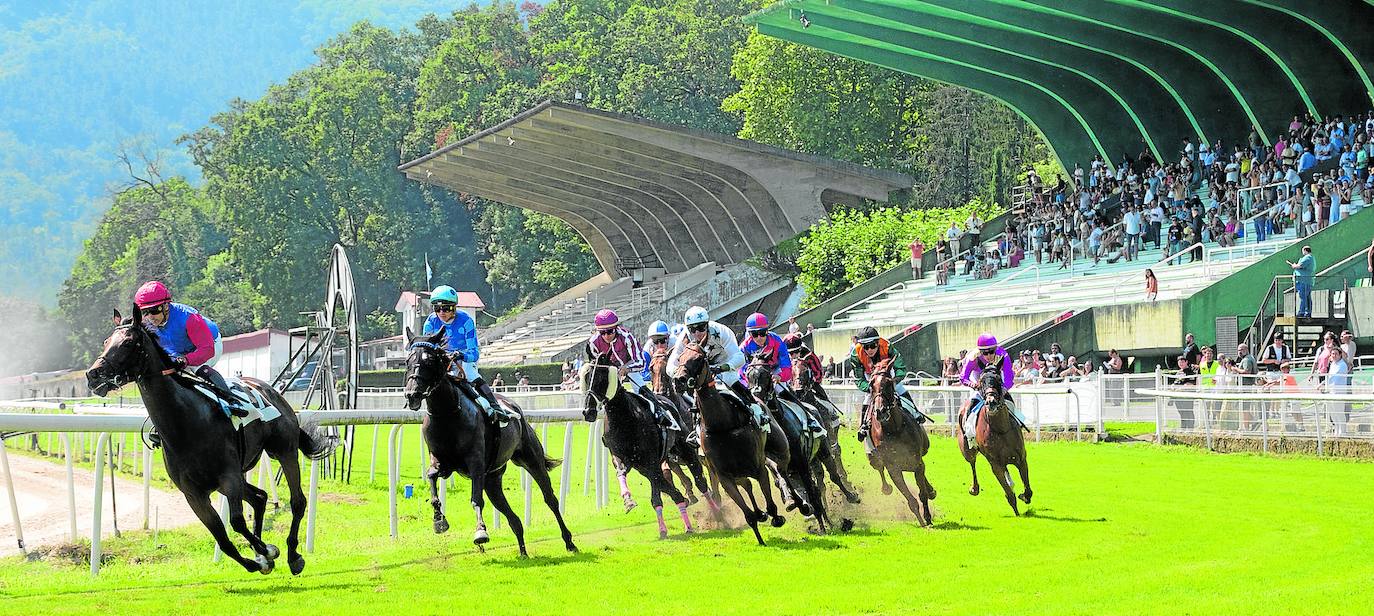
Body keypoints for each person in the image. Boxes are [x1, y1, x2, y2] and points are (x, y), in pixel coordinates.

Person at [132, 280, 254, 417]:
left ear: (166, 306)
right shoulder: (145, 322)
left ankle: (232, 401)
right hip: (178, 350)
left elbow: (207, 350)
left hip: (209, 345)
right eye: (144, 312)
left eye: (154, 311)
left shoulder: (188, 317)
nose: (149, 317)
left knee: (198, 369)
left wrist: (186, 360)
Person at [422, 285, 510, 424]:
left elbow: (474, 352)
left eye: (446, 308)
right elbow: (429, 347)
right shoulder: (430, 322)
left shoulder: (466, 321)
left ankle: (495, 406)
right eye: (437, 308)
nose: (441, 312)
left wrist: (461, 355)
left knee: (470, 373)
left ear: (454, 308)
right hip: (443, 360)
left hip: (463, 358)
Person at [665, 306, 762, 428]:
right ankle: (696, 430)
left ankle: (757, 413)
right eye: (692, 329)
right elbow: (670, 365)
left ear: (707, 324)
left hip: (723, 367)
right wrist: (681, 374)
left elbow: (740, 358)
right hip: (701, 373)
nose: (697, 333)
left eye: (701, 327)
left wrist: (723, 368)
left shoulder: (720, 331)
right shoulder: (685, 337)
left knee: (731, 381)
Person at [585, 309, 678, 430]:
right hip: (609, 372)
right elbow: (595, 367)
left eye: (610, 331)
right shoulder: (593, 343)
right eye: (602, 333)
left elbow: (641, 362)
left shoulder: (626, 337)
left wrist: (626, 368)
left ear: (616, 328)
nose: (606, 336)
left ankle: (659, 413)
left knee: (642, 390)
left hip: (630, 368)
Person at [738, 313, 823, 437]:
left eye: (762, 333)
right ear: (749, 334)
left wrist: (780, 376)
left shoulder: (776, 340)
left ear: (767, 331)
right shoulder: (744, 347)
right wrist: (751, 381)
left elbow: (787, 366)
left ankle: (809, 419)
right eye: (755, 334)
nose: (759, 337)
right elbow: (741, 371)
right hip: (754, 377)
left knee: (784, 392)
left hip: (775, 372)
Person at [958, 333, 1023, 447]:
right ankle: (970, 435)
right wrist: (974, 385)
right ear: (980, 352)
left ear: (996, 349)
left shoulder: (1003, 356)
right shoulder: (972, 358)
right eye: (985, 353)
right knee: (971, 407)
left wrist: (1003, 390)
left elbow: (1009, 378)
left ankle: (1019, 423)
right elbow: (963, 377)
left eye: (991, 351)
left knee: (1010, 403)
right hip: (978, 379)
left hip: (996, 380)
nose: (989, 355)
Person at [1286, 245, 1316, 317]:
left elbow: (1300, 266)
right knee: (1307, 297)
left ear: (1305, 250)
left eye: (1303, 251)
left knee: (1303, 296)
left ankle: (1302, 312)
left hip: (1304, 280)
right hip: (1306, 280)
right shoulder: (1311, 258)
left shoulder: (1308, 257)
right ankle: (1307, 312)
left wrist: (1294, 266)